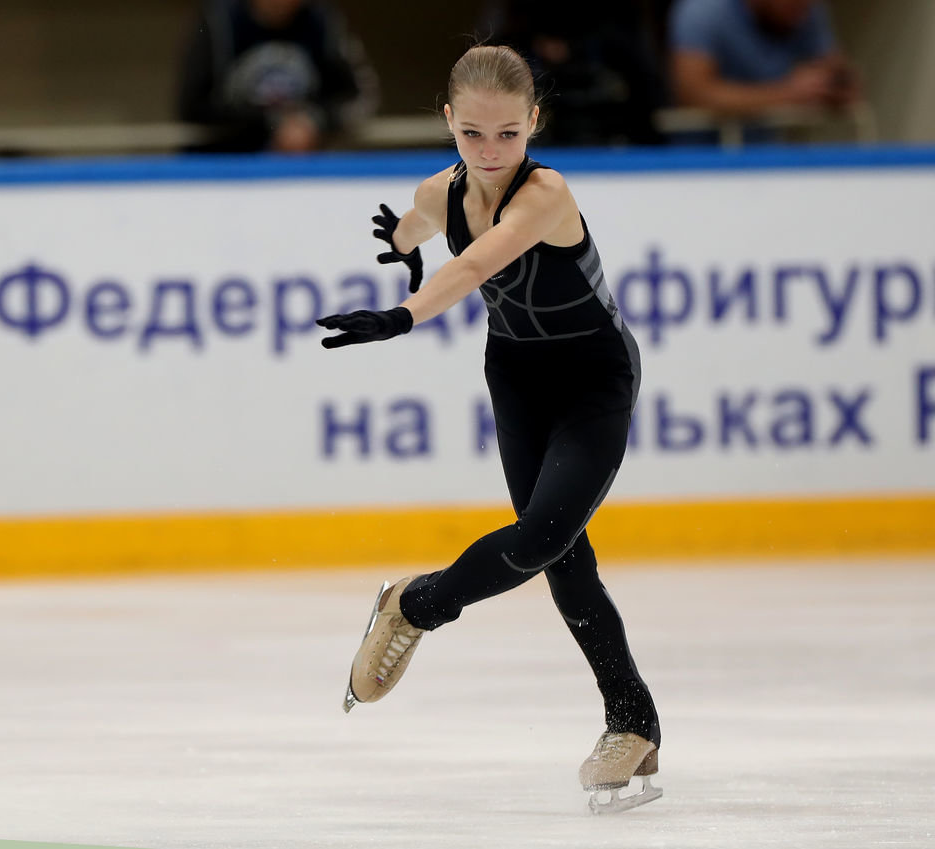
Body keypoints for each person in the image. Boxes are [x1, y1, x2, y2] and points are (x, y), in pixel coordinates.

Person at [315, 44, 661, 814]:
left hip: (594, 377)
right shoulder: (440, 190)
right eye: (473, 134)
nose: (492, 151)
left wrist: (402, 315)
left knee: (543, 538)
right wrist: (403, 244)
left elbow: (473, 268)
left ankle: (415, 604)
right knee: (565, 560)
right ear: (449, 124)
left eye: (508, 133)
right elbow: (417, 221)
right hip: (516, 375)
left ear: (534, 121)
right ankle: (633, 722)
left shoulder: (547, 193)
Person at [176, 0, 379, 153]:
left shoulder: (323, 21)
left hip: (305, 171)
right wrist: (271, 124)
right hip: (227, 169)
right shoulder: (220, 20)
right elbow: (193, 107)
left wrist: (313, 121)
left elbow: (360, 97)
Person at [477, 0, 667, 146]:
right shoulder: (505, 38)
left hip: (615, 144)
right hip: (531, 149)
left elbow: (650, 102)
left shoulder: (618, 37)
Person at [668, 0, 858, 119]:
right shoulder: (703, 10)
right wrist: (788, 93)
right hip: (701, 162)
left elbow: (840, 74)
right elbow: (694, 94)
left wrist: (832, 86)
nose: (802, 7)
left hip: (767, 154)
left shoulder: (804, 11)